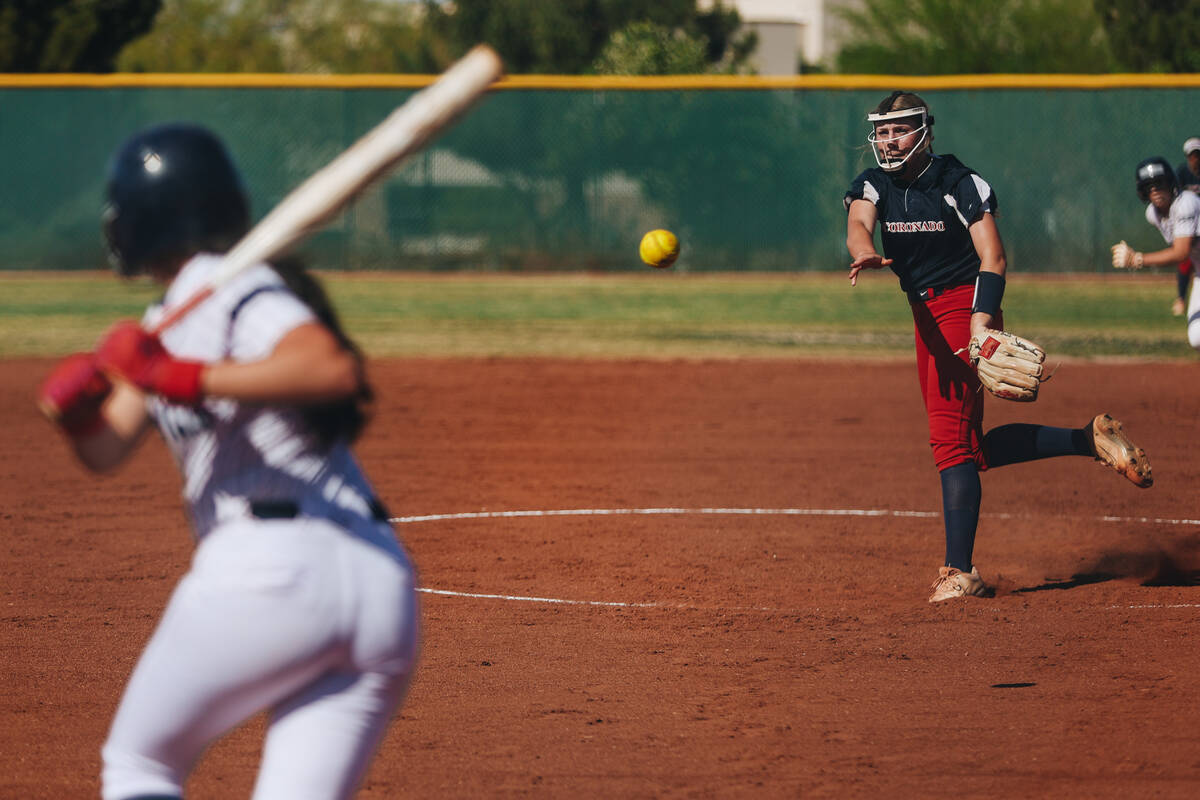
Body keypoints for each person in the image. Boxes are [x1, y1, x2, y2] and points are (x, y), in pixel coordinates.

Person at [36, 123, 419, 799]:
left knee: (139, 766)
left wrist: (178, 375)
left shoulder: (231, 286)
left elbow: (328, 368)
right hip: (377, 588)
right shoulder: (176, 313)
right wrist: (77, 413)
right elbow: (108, 446)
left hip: (269, 573)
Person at [843, 91, 1154, 604]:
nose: (888, 139)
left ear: (924, 130)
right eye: (881, 130)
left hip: (965, 310)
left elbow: (994, 256)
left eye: (899, 129)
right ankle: (1089, 440)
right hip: (925, 316)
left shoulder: (956, 181)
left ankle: (960, 572)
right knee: (971, 450)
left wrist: (981, 326)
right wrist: (864, 253)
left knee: (949, 444)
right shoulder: (874, 183)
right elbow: (858, 222)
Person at [1111, 156, 1200, 350]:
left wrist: (1137, 259)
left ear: (1170, 183)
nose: (1155, 191)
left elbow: (1181, 253)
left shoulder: (1186, 203)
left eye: (1159, 184)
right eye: (1149, 186)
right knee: (1197, 336)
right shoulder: (1153, 214)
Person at [1171, 138, 1200, 316]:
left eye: (1198, 155)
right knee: (1184, 260)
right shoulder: (1181, 173)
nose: (1195, 159)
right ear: (1187, 157)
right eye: (1192, 155)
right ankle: (1181, 298)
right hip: (1188, 224)